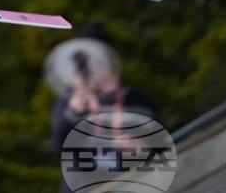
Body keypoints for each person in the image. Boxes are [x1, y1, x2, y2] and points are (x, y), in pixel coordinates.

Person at [48, 21, 160, 193]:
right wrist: (74, 110)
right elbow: (59, 145)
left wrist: (143, 150)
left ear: (110, 60)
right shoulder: (69, 102)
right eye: (80, 61)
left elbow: (163, 148)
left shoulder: (142, 103)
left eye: (91, 58)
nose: (85, 67)